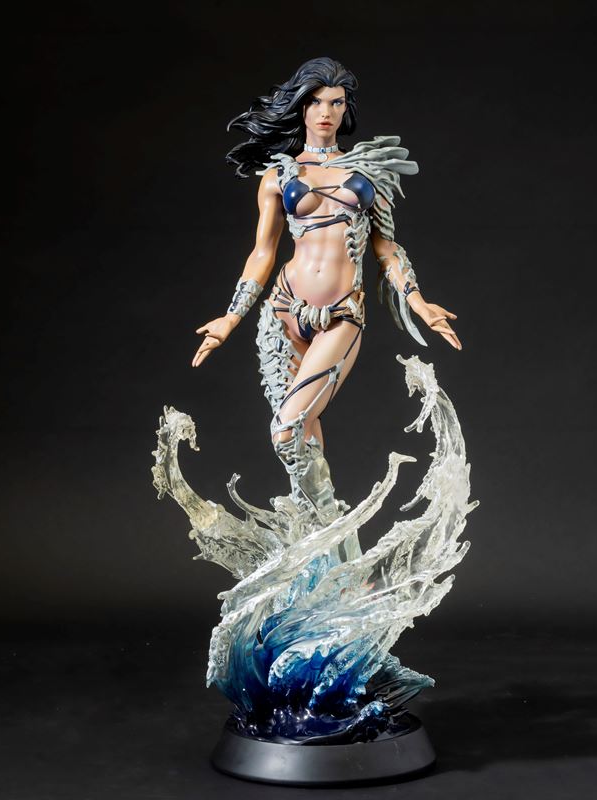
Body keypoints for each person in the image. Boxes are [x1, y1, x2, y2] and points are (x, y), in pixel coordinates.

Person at [190, 57, 462, 535]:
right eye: (316, 102)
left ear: (346, 109)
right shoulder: (279, 176)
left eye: (336, 102)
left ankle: (326, 540)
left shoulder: (367, 171)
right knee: (303, 443)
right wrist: (230, 318)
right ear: (301, 107)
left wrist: (417, 301)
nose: (325, 112)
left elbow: (386, 247)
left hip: (340, 314)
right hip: (283, 312)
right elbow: (262, 253)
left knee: (288, 429)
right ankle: (322, 548)